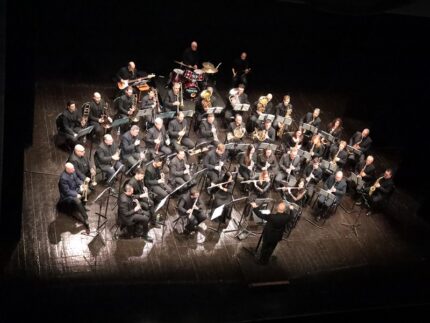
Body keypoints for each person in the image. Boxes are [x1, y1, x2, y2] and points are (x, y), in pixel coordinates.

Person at [250, 200, 292, 265]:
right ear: (285, 210)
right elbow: (292, 216)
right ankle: (266, 259)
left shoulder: (272, 217)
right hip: (277, 236)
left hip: (268, 236)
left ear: (277, 208)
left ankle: (262, 261)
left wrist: (255, 207)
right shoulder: (287, 217)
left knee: (264, 248)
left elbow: (260, 215)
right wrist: (291, 210)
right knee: (271, 248)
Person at [57, 163, 90, 233]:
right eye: (72, 169)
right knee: (77, 200)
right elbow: (66, 191)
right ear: (67, 169)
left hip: (75, 189)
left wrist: (82, 185)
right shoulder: (63, 178)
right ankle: (85, 218)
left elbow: (77, 179)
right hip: (67, 196)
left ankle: (83, 206)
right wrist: (76, 194)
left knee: (87, 190)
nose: (74, 170)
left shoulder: (72, 171)